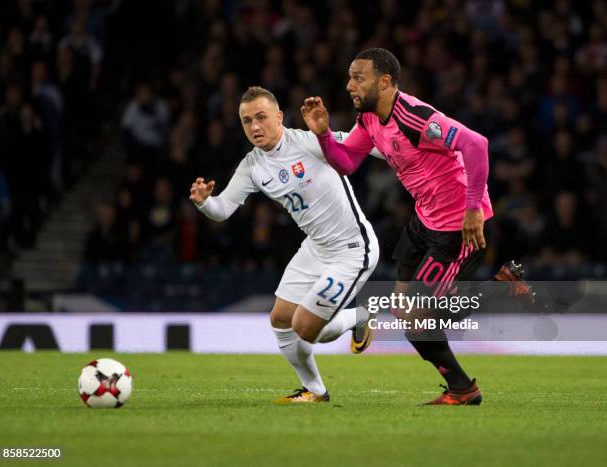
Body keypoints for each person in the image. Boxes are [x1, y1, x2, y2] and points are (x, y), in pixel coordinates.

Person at [301, 48, 533, 406]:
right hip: (423, 221)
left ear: (386, 81)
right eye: (349, 77)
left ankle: (496, 305)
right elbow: (346, 162)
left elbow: (476, 144)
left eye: (358, 77)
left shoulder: (414, 116)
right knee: (405, 309)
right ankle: (461, 385)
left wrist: (473, 209)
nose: (349, 85)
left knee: (415, 317)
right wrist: (323, 135)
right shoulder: (369, 121)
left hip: (458, 227)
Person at [189, 86, 380, 403]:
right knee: (280, 319)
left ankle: (360, 317)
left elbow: (363, 145)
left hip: (353, 249)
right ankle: (315, 391)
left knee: (306, 327)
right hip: (316, 248)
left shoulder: (309, 141)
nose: (254, 127)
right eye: (247, 120)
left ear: (279, 117)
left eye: (261, 117)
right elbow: (222, 210)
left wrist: (411, 153)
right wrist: (203, 203)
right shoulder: (252, 166)